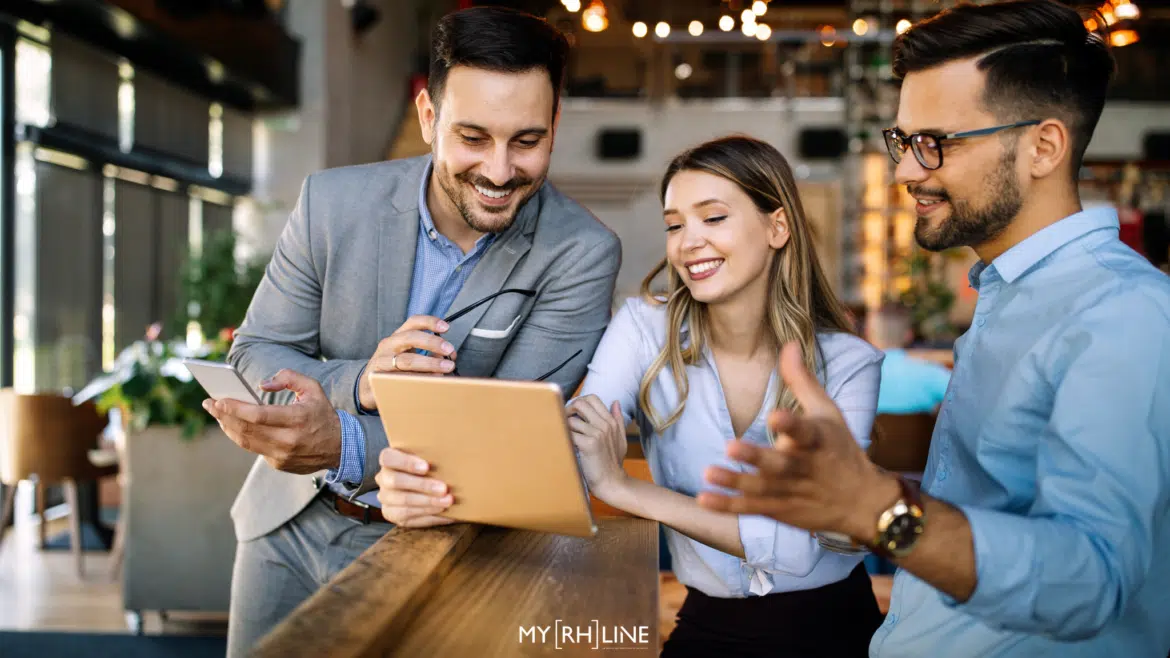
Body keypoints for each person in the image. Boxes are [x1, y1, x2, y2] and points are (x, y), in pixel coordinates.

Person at [696, 2, 1170, 657]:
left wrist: (884, 511)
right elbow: (1005, 508)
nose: (904, 172)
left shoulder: (1123, 313)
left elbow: (1091, 579)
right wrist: (852, 491)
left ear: (1043, 147)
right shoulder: (1009, 292)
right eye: (903, 141)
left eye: (933, 144)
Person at [204, 7, 621, 655]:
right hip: (282, 525)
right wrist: (360, 382)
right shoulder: (330, 203)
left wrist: (343, 440)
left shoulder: (581, 252)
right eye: (473, 137)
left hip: (440, 544)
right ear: (428, 117)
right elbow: (257, 350)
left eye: (528, 140)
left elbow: (508, 440)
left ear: (555, 125)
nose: (501, 170)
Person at [567, 135, 885, 657]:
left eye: (713, 218)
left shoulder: (848, 364)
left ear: (776, 227)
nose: (688, 241)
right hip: (708, 620)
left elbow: (796, 548)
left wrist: (626, 491)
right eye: (674, 225)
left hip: (834, 627)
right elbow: (578, 436)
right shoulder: (644, 328)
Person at [866, 302, 950, 415]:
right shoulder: (933, 373)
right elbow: (967, 402)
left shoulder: (854, 376)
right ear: (909, 335)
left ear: (868, 333)